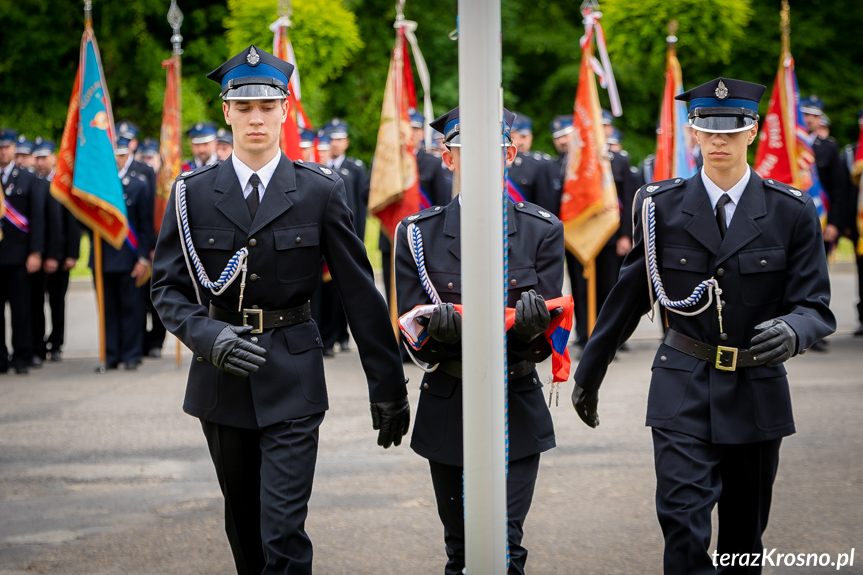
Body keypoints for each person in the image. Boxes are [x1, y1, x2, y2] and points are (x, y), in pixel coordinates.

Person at [150, 45, 410, 575]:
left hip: (293, 374)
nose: (256, 118)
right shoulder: (191, 195)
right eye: (243, 108)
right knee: (244, 529)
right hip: (222, 379)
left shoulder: (319, 191)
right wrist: (207, 336)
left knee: (283, 532)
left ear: (285, 111)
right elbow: (167, 289)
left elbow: (360, 295)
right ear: (226, 112)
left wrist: (388, 387)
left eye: (267, 106)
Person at [571, 77, 836, 575]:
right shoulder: (659, 206)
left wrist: (795, 330)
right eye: (708, 129)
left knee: (742, 540)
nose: (719, 140)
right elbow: (628, 297)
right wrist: (591, 371)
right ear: (692, 132)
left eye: (732, 130)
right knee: (683, 524)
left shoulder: (791, 210)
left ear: (752, 131)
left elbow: (816, 307)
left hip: (756, 386)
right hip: (682, 383)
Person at [396, 106, 563, 575]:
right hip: (451, 400)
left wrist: (534, 331)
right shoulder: (417, 235)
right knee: (463, 549)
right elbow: (412, 332)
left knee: (505, 545)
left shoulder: (541, 229)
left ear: (510, 154)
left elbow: (548, 336)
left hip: (516, 398)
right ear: (447, 159)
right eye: (466, 152)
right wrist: (439, 341)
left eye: (492, 151)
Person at [90, 136, 152, 370]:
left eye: (121, 154)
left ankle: (131, 354)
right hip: (102, 258)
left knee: (131, 308)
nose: (117, 159)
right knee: (107, 310)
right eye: (113, 154)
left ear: (129, 155)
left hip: (129, 257)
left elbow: (145, 226)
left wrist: (143, 258)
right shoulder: (98, 184)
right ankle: (110, 355)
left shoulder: (138, 184)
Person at [0, 128, 46, 375]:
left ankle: (22, 356)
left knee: (21, 310)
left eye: (7, 147)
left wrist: (35, 252)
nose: (3, 152)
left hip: (19, 256)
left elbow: (37, 219)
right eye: (0, 148)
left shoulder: (28, 178)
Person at [32, 138, 80, 362]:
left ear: (53, 158)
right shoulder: (31, 182)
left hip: (60, 257)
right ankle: (38, 343)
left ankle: (57, 343)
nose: (41, 162)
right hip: (37, 257)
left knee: (57, 303)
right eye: (37, 158)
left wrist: (71, 253)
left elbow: (72, 223)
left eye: (44, 157)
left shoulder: (63, 184)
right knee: (35, 303)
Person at [507, 113, 556, 212]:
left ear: (531, 137)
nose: (520, 142)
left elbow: (545, 204)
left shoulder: (539, 164)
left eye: (524, 136)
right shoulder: (496, 162)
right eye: (514, 136)